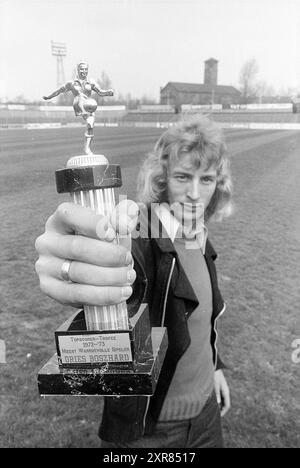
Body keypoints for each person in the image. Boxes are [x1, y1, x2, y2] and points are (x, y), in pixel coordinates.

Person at [35, 114, 232, 448]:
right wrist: (98, 256)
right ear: (163, 178)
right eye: (183, 177)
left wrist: (215, 368)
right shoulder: (144, 231)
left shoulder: (199, 234)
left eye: (208, 179)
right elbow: (130, 267)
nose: (196, 194)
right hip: (152, 431)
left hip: (206, 416)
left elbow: (202, 323)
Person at [43, 61, 114, 154]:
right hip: (78, 105)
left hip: (89, 106)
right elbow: (59, 91)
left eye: (86, 69)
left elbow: (100, 92)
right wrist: (49, 97)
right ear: (78, 70)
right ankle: (84, 113)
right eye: (82, 69)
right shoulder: (72, 83)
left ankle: (87, 148)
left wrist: (108, 92)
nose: (84, 71)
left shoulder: (91, 82)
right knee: (80, 96)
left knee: (90, 125)